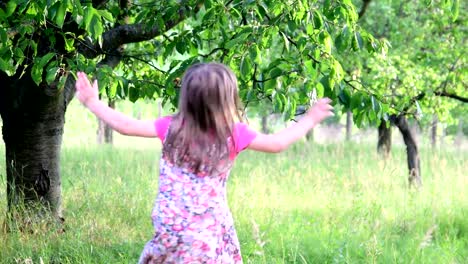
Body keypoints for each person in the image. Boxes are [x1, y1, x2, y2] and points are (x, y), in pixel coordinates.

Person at [75, 63, 333, 263]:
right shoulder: (233, 133)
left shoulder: (172, 127)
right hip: (207, 234)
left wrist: (92, 103)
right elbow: (277, 144)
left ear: (186, 98)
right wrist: (310, 118)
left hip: (169, 230)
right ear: (228, 100)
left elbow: (126, 127)